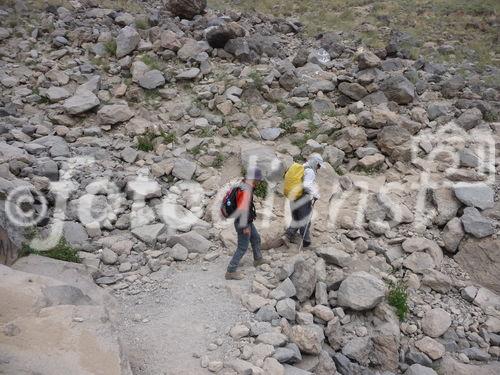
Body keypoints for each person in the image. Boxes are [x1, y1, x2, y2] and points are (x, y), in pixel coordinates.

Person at [225, 168, 265, 280]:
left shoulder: (243, 186)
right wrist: (245, 226)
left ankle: (258, 259)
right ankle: (230, 271)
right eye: (258, 180)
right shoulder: (245, 190)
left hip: (246, 221)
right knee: (242, 247)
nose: (259, 182)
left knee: (256, 238)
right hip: (243, 223)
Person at [283, 153, 323, 248]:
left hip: (293, 196)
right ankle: (306, 241)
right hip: (302, 198)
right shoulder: (310, 171)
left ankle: (288, 235)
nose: (319, 167)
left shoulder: (302, 167)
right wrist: (315, 194)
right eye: (318, 165)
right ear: (315, 162)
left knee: (296, 217)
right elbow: (307, 185)